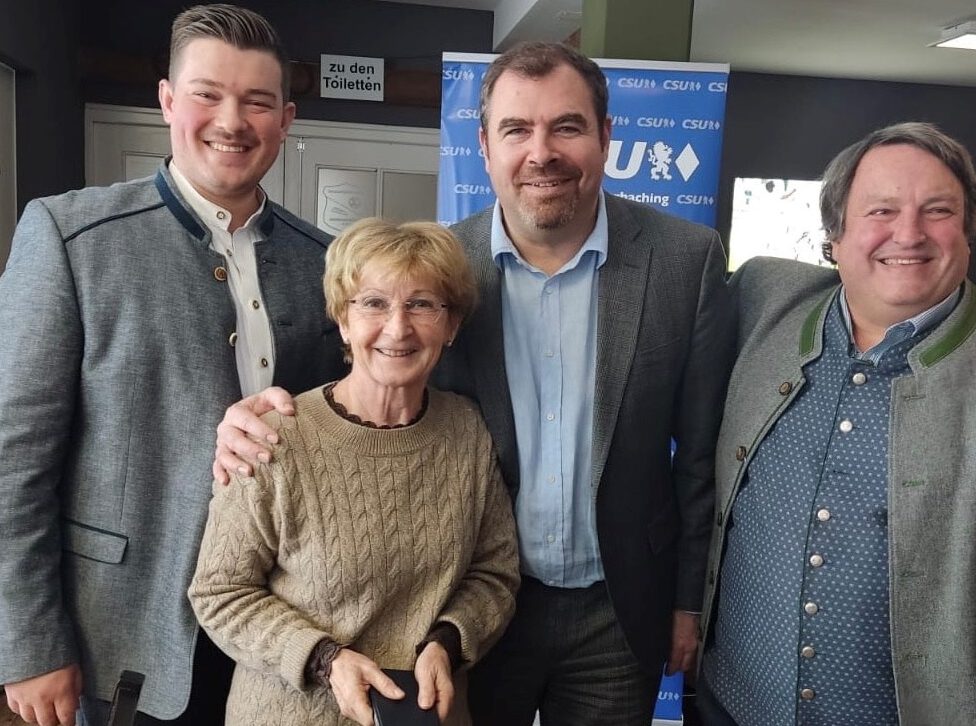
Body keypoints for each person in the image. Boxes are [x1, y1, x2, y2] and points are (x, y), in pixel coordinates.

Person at [214, 41, 733, 726]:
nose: (541, 152)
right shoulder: (436, 271)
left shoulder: (684, 261)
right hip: (466, 610)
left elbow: (700, 454)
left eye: (567, 126)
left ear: (605, 136)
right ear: (484, 146)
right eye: (516, 129)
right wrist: (246, 419)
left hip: (618, 611)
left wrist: (688, 600)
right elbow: (354, 378)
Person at [0, 5, 347, 725]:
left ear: (285, 120)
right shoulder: (70, 237)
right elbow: (12, 460)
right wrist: (27, 644)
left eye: (257, 102)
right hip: (126, 638)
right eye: (207, 94)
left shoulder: (323, 262)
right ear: (166, 101)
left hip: (282, 636)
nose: (232, 121)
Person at [696, 122, 976, 725]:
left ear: (969, 231)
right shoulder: (763, 301)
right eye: (881, 210)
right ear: (835, 234)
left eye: (938, 210)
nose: (909, 233)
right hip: (734, 708)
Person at [188, 218, 519, 726]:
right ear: (343, 320)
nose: (398, 328)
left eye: (422, 304)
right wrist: (326, 660)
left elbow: (494, 572)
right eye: (374, 303)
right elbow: (219, 593)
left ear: (451, 326)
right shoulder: (271, 438)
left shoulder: (468, 430)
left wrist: (447, 643)